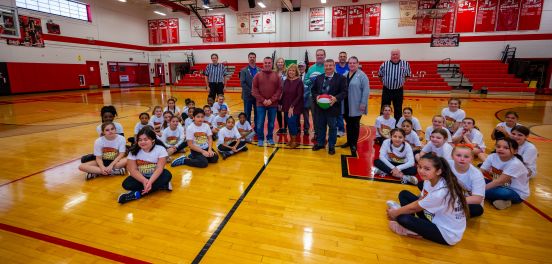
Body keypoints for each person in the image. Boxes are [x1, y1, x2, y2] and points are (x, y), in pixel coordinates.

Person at [386, 153, 468, 246]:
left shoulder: (440, 193)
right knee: (404, 194)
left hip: (447, 234)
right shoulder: (430, 180)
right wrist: (400, 211)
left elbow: (415, 208)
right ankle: (410, 221)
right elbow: (421, 199)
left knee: (403, 218)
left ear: (438, 171)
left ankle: (411, 230)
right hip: (435, 217)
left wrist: (395, 213)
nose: (421, 171)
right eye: (419, 167)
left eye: (427, 169)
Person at [118, 127, 172, 204]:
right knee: (126, 184)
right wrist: (144, 180)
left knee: (167, 174)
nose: (142, 142)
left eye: (146, 139)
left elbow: (159, 168)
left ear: (153, 140)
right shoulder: (133, 151)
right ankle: (162, 185)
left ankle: (136, 194)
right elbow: (132, 170)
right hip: (141, 176)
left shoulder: (160, 149)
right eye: (140, 140)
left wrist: (150, 182)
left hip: (156, 176)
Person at [311, 59, 347, 155]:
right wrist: (316, 96)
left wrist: (336, 98)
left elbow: (344, 92)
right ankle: (320, 143)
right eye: (326, 66)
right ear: (324, 67)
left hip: (333, 107)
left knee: (332, 127)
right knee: (320, 126)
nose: (328, 67)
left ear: (334, 66)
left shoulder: (341, 78)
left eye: (330, 65)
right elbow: (313, 91)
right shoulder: (319, 78)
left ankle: (331, 145)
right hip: (320, 107)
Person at [482, 138, 530, 210]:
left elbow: (499, 182)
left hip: (515, 192)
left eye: (506, 148)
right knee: (478, 180)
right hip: (497, 185)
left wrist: (478, 189)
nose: (500, 149)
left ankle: (505, 200)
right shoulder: (492, 156)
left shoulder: (515, 164)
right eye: (498, 146)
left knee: (502, 193)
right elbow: (480, 172)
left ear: (515, 151)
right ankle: (503, 201)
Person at [340, 56, 369, 155]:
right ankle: (349, 141)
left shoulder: (362, 76)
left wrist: (363, 103)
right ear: (348, 64)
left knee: (355, 125)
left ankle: (354, 144)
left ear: (357, 64)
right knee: (348, 124)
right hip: (346, 104)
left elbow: (366, 91)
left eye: (354, 63)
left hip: (356, 105)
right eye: (350, 63)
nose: (352, 64)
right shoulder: (345, 75)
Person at [252, 57, 282, 146]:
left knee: (271, 123)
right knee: (260, 123)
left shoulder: (276, 75)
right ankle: (260, 138)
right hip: (260, 104)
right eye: (266, 63)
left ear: (272, 64)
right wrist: (263, 100)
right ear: (263, 63)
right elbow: (254, 90)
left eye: (269, 63)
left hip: (273, 104)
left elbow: (279, 90)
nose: (267, 64)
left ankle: (269, 138)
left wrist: (271, 100)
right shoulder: (257, 75)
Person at [449, 144, 486, 217]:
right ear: (452, 156)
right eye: (458, 155)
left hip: (466, 200)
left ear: (472, 159)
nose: (462, 159)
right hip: (450, 195)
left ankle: (446, 212)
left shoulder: (476, 174)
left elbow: (477, 199)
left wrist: (452, 202)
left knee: (477, 209)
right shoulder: (447, 164)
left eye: (466, 157)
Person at [378, 49, 411, 121]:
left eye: (396, 54)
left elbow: (407, 76)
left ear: (399, 55)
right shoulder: (384, 64)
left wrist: (400, 83)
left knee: (398, 109)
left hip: (398, 90)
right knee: (384, 108)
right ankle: (382, 123)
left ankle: (397, 127)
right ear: (391, 55)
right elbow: (380, 76)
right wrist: (386, 83)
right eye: (393, 54)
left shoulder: (405, 64)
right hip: (387, 90)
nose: (395, 56)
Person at [304, 49, 327, 139]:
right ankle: (317, 133)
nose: (320, 56)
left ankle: (323, 135)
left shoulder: (328, 67)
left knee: (325, 117)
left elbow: (333, 80)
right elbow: (306, 81)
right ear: (316, 56)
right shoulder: (311, 68)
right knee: (315, 116)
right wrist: (312, 80)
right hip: (313, 96)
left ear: (324, 56)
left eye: (321, 55)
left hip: (325, 96)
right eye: (318, 55)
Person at [281, 64, 304, 149]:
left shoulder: (299, 81)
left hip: (295, 106)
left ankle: (294, 141)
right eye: (290, 70)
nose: (291, 72)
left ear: (296, 72)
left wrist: (292, 106)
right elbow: (283, 93)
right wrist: (280, 104)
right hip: (286, 105)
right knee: (288, 122)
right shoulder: (286, 81)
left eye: (293, 70)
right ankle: (291, 140)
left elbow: (299, 95)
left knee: (292, 122)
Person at [240, 52, 260, 126]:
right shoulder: (243, 70)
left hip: (257, 96)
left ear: (255, 58)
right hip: (247, 96)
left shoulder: (260, 70)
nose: (252, 59)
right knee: (247, 113)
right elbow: (242, 83)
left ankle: (257, 127)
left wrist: (256, 92)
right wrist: (251, 91)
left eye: (253, 57)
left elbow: (261, 83)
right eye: (250, 57)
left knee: (257, 112)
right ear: (248, 58)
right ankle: (247, 128)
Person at [335, 51, 349, 137]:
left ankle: (349, 129)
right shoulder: (335, 67)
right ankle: (340, 129)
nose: (342, 57)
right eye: (341, 56)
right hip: (338, 93)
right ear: (338, 58)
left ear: (346, 58)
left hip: (348, 94)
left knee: (347, 113)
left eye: (344, 56)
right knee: (339, 112)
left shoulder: (349, 67)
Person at [275, 57, 287, 134]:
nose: (280, 63)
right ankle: (280, 127)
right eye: (279, 62)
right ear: (276, 64)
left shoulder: (287, 72)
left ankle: (285, 128)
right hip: (277, 96)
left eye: (281, 62)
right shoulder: (274, 73)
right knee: (278, 112)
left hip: (286, 96)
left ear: (284, 63)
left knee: (285, 112)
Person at [298, 61, 311, 135]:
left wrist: (303, 96)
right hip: (297, 101)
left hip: (305, 100)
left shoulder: (308, 76)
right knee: (297, 116)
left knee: (306, 116)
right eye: (299, 66)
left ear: (305, 67)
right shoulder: (295, 76)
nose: (301, 68)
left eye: (302, 66)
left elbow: (309, 88)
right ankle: (298, 128)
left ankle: (306, 129)